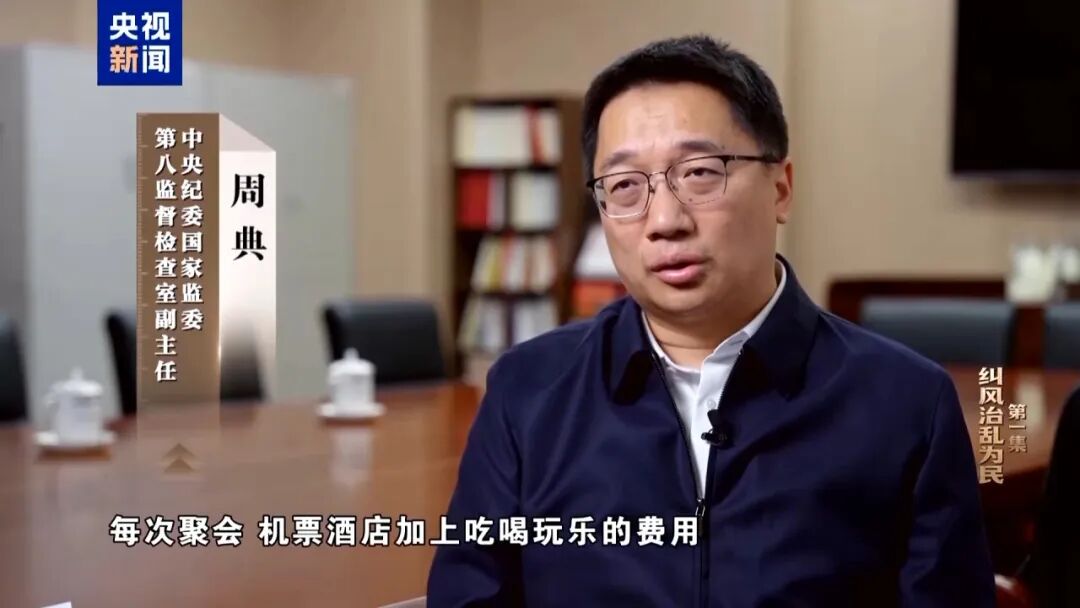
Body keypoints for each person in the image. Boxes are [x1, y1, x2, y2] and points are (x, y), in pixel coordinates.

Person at [428, 34, 994, 607]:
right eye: (624, 186)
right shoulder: (527, 391)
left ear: (781, 188)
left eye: (700, 173)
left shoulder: (908, 404)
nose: (664, 221)